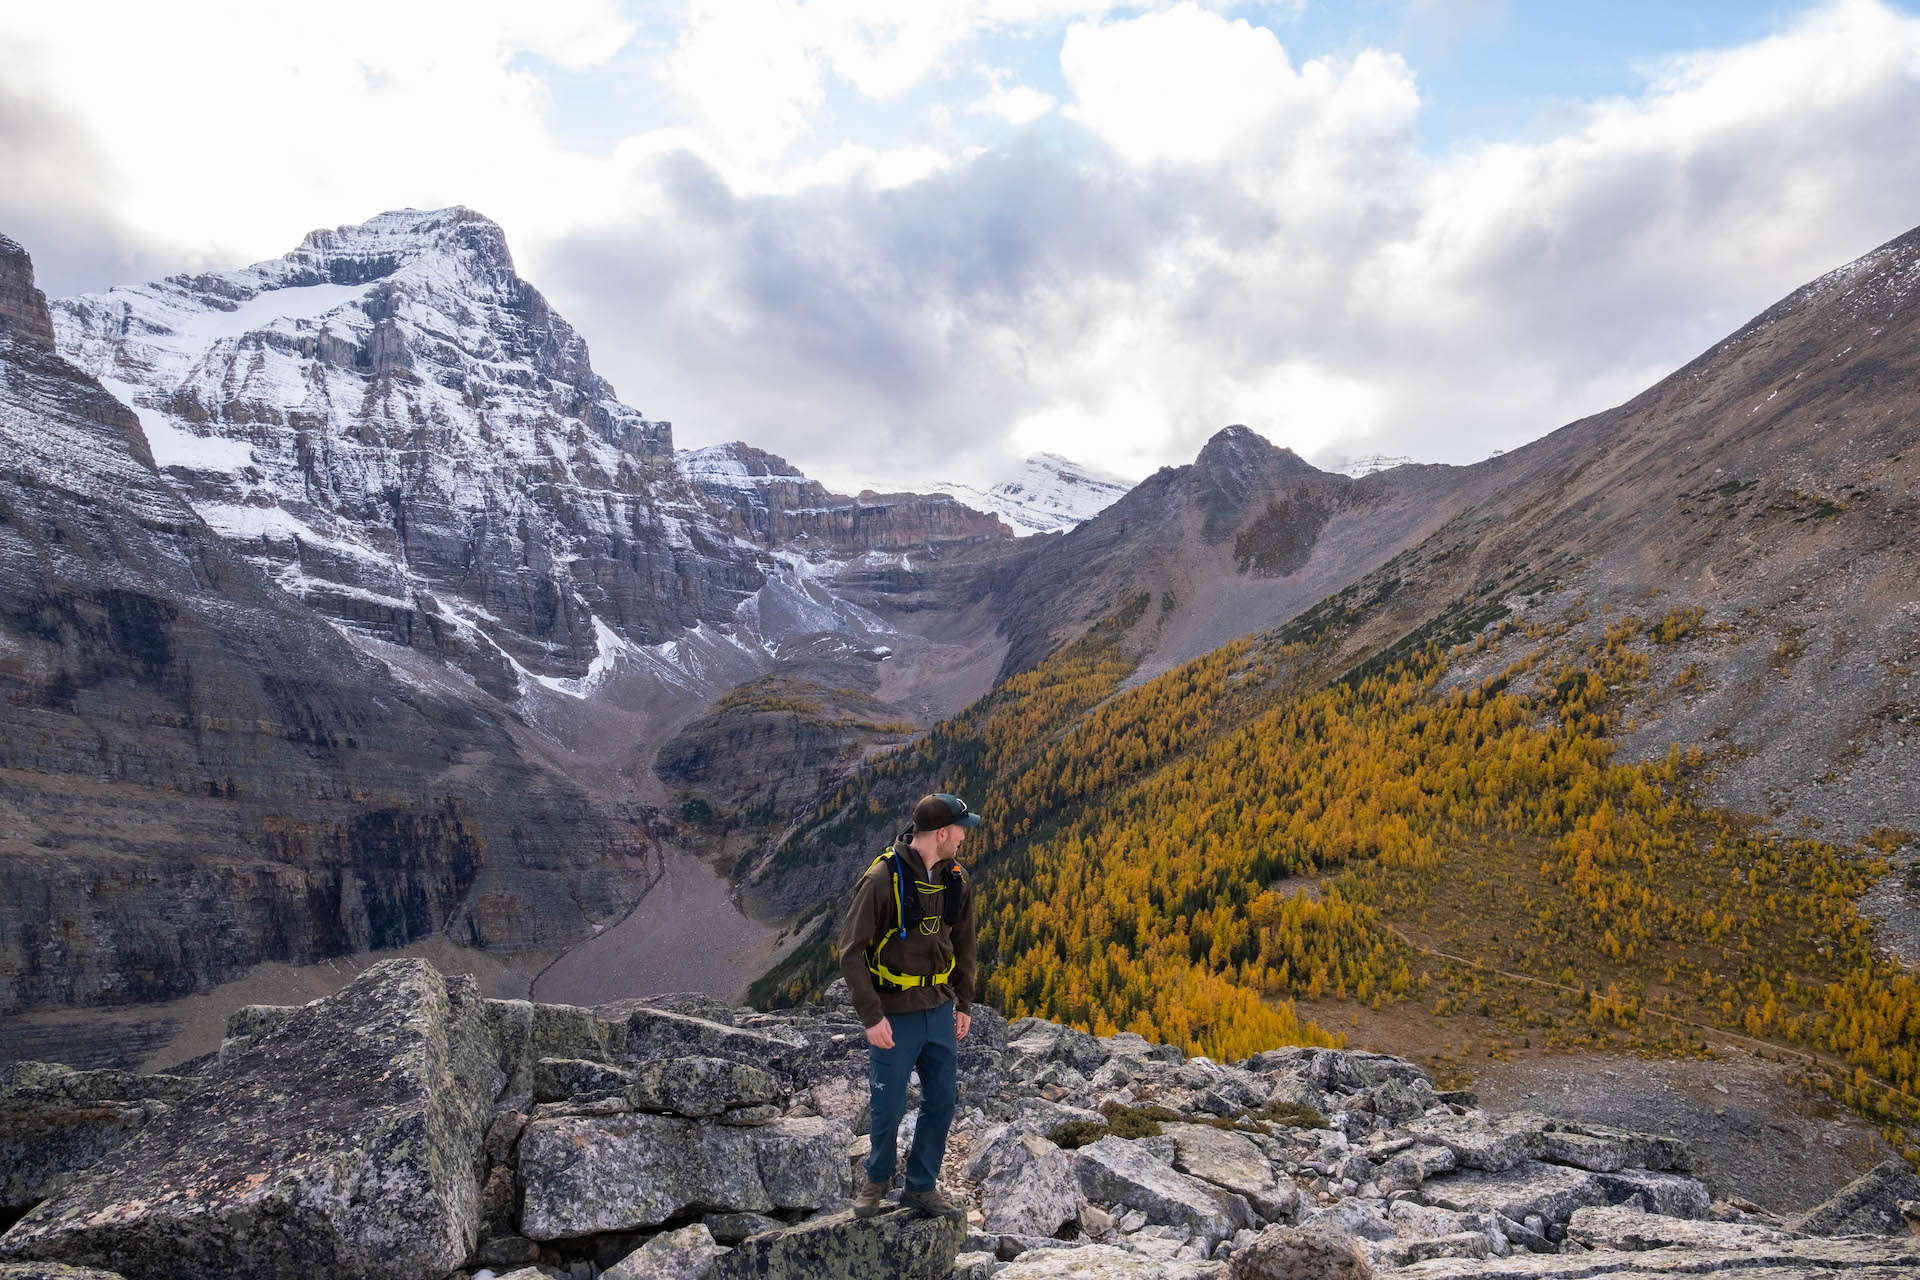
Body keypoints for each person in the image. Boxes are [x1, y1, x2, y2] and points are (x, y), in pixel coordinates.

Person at [837, 792, 980, 1220]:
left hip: (938, 1008)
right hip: (893, 1015)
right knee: (888, 1104)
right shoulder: (882, 879)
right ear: (941, 833)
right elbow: (850, 952)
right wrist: (871, 1016)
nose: (963, 837)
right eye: (960, 830)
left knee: (940, 1100)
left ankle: (921, 1186)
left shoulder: (957, 879)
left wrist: (964, 1003)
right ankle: (877, 1180)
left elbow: (964, 945)